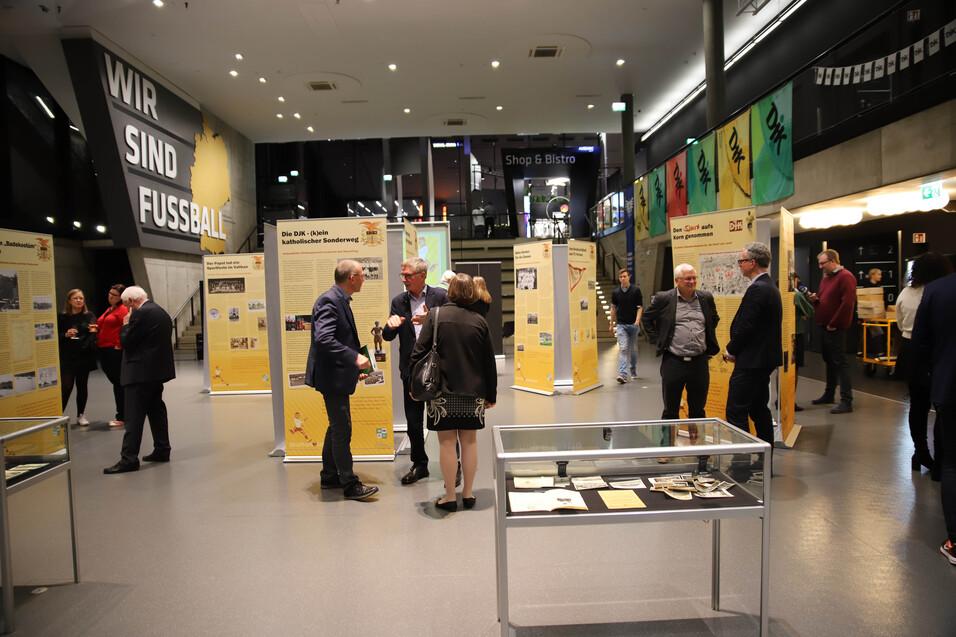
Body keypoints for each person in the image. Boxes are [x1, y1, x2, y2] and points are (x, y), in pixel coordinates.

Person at [409, 273, 497, 512]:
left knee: (446, 444)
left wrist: (413, 385)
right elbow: (489, 362)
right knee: (469, 442)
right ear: (472, 293)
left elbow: (418, 353)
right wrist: (491, 395)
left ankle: (449, 496)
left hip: (441, 392)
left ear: (450, 292)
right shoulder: (479, 321)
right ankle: (468, 494)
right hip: (473, 391)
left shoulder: (436, 316)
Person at [305, 260, 378, 501]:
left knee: (336, 426)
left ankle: (329, 476)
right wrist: (354, 357)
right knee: (342, 428)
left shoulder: (340, 299)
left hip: (337, 374)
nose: (364, 278)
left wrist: (353, 365)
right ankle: (349, 483)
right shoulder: (329, 300)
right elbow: (324, 339)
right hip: (331, 377)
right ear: (351, 278)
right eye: (362, 275)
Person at [383, 257, 448, 485]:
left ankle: (454, 464)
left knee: (445, 418)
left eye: (408, 275)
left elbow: (452, 327)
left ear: (422, 276)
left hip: (439, 368)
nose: (404, 279)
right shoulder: (399, 301)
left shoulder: (440, 296)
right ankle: (420, 464)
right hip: (411, 369)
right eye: (402, 275)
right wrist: (390, 326)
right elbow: (387, 336)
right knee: (413, 421)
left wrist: (432, 319)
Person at [910, 270, 956, 565]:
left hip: (950, 386)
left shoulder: (938, 290)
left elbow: (920, 343)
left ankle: (955, 542)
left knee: (952, 463)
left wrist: (933, 375)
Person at [103, 286, 175, 474]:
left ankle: (129, 459)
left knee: (133, 417)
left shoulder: (141, 314)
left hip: (139, 373)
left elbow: (126, 341)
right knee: (156, 411)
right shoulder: (160, 312)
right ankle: (162, 449)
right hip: (155, 373)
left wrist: (126, 324)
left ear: (132, 301)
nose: (128, 309)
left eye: (127, 305)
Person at [896, 252, 952, 475]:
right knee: (942, 406)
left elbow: (900, 323)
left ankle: (920, 452)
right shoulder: (943, 292)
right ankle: (941, 460)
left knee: (917, 405)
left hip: (910, 350)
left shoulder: (906, 293)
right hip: (937, 351)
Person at [641, 264, 720, 421]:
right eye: (687, 279)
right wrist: (657, 339)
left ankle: (696, 437)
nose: (692, 281)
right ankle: (669, 437)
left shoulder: (705, 298)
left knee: (698, 411)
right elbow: (646, 318)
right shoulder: (664, 298)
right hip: (674, 362)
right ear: (677, 281)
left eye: (694, 278)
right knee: (670, 411)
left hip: (699, 362)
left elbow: (714, 318)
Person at [723, 242, 783, 450]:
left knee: (736, 411)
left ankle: (742, 461)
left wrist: (731, 349)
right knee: (758, 409)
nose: (739, 264)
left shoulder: (758, 289)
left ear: (753, 262)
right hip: (761, 360)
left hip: (751, 361)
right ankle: (765, 458)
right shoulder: (769, 286)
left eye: (742, 261)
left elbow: (747, 326)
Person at [809, 248, 857, 414]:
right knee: (829, 361)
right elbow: (826, 299)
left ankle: (846, 400)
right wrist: (816, 300)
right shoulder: (826, 278)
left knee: (840, 363)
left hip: (835, 327)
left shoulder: (846, 277)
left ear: (832, 261)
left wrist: (834, 323)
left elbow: (847, 304)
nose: (820, 266)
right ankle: (829, 394)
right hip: (824, 325)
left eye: (823, 263)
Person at [58, 289, 98, 427]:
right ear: (69, 301)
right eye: (75, 298)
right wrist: (66, 334)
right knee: (66, 386)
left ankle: (81, 414)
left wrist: (83, 345)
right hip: (67, 356)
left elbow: (93, 333)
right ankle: (58, 416)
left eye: (81, 298)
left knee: (82, 386)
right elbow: (56, 335)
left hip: (83, 356)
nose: (79, 300)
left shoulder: (89, 315)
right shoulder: (62, 317)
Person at [96, 284, 128, 428]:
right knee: (117, 382)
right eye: (110, 293)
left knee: (119, 384)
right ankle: (124, 414)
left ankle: (122, 416)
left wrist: (118, 344)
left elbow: (126, 327)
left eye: (114, 295)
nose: (111, 296)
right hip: (104, 349)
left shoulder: (123, 310)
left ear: (121, 297)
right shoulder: (110, 309)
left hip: (114, 350)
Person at [610, 268, 644, 384]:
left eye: (624, 276)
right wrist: (611, 324)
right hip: (621, 325)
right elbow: (613, 308)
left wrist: (637, 321)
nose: (623, 278)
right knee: (623, 349)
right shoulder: (615, 292)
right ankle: (623, 374)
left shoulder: (636, 291)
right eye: (621, 277)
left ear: (629, 277)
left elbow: (640, 308)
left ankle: (633, 369)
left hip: (633, 325)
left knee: (633, 350)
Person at [792, 274, 815, 412]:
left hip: (784, 334)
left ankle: (780, 400)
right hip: (797, 334)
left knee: (783, 369)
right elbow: (810, 311)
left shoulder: (779, 292)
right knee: (794, 369)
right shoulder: (797, 295)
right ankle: (790, 401)